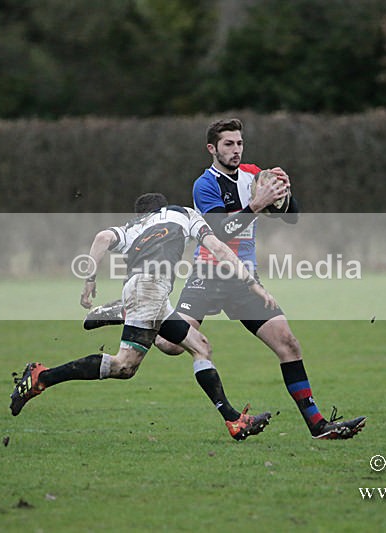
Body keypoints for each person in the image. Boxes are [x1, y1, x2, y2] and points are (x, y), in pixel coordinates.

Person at [85, 118, 366, 440]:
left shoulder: (252, 174)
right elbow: (220, 231)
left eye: (239, 143)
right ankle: (126, 310)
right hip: (208, 276)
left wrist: (283, 192)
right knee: (169, 346)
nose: (236, 150)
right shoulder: (204, 185)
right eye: (228, 144)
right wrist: (257, 204)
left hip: (244, 280)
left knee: (288, 344)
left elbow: (291, 217)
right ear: (212, 148)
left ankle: (318, 425)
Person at [10, 192, 277, 441]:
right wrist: (251, 283)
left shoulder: (132, 228)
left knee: (200, 346)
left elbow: (102, 238)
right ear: (163, 206)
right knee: (124, 366)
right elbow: (218, 248)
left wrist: (89, 280)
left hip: (147, 292)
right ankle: (42, 377)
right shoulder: (183, 214)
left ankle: (233, 420)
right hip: (149, 290)